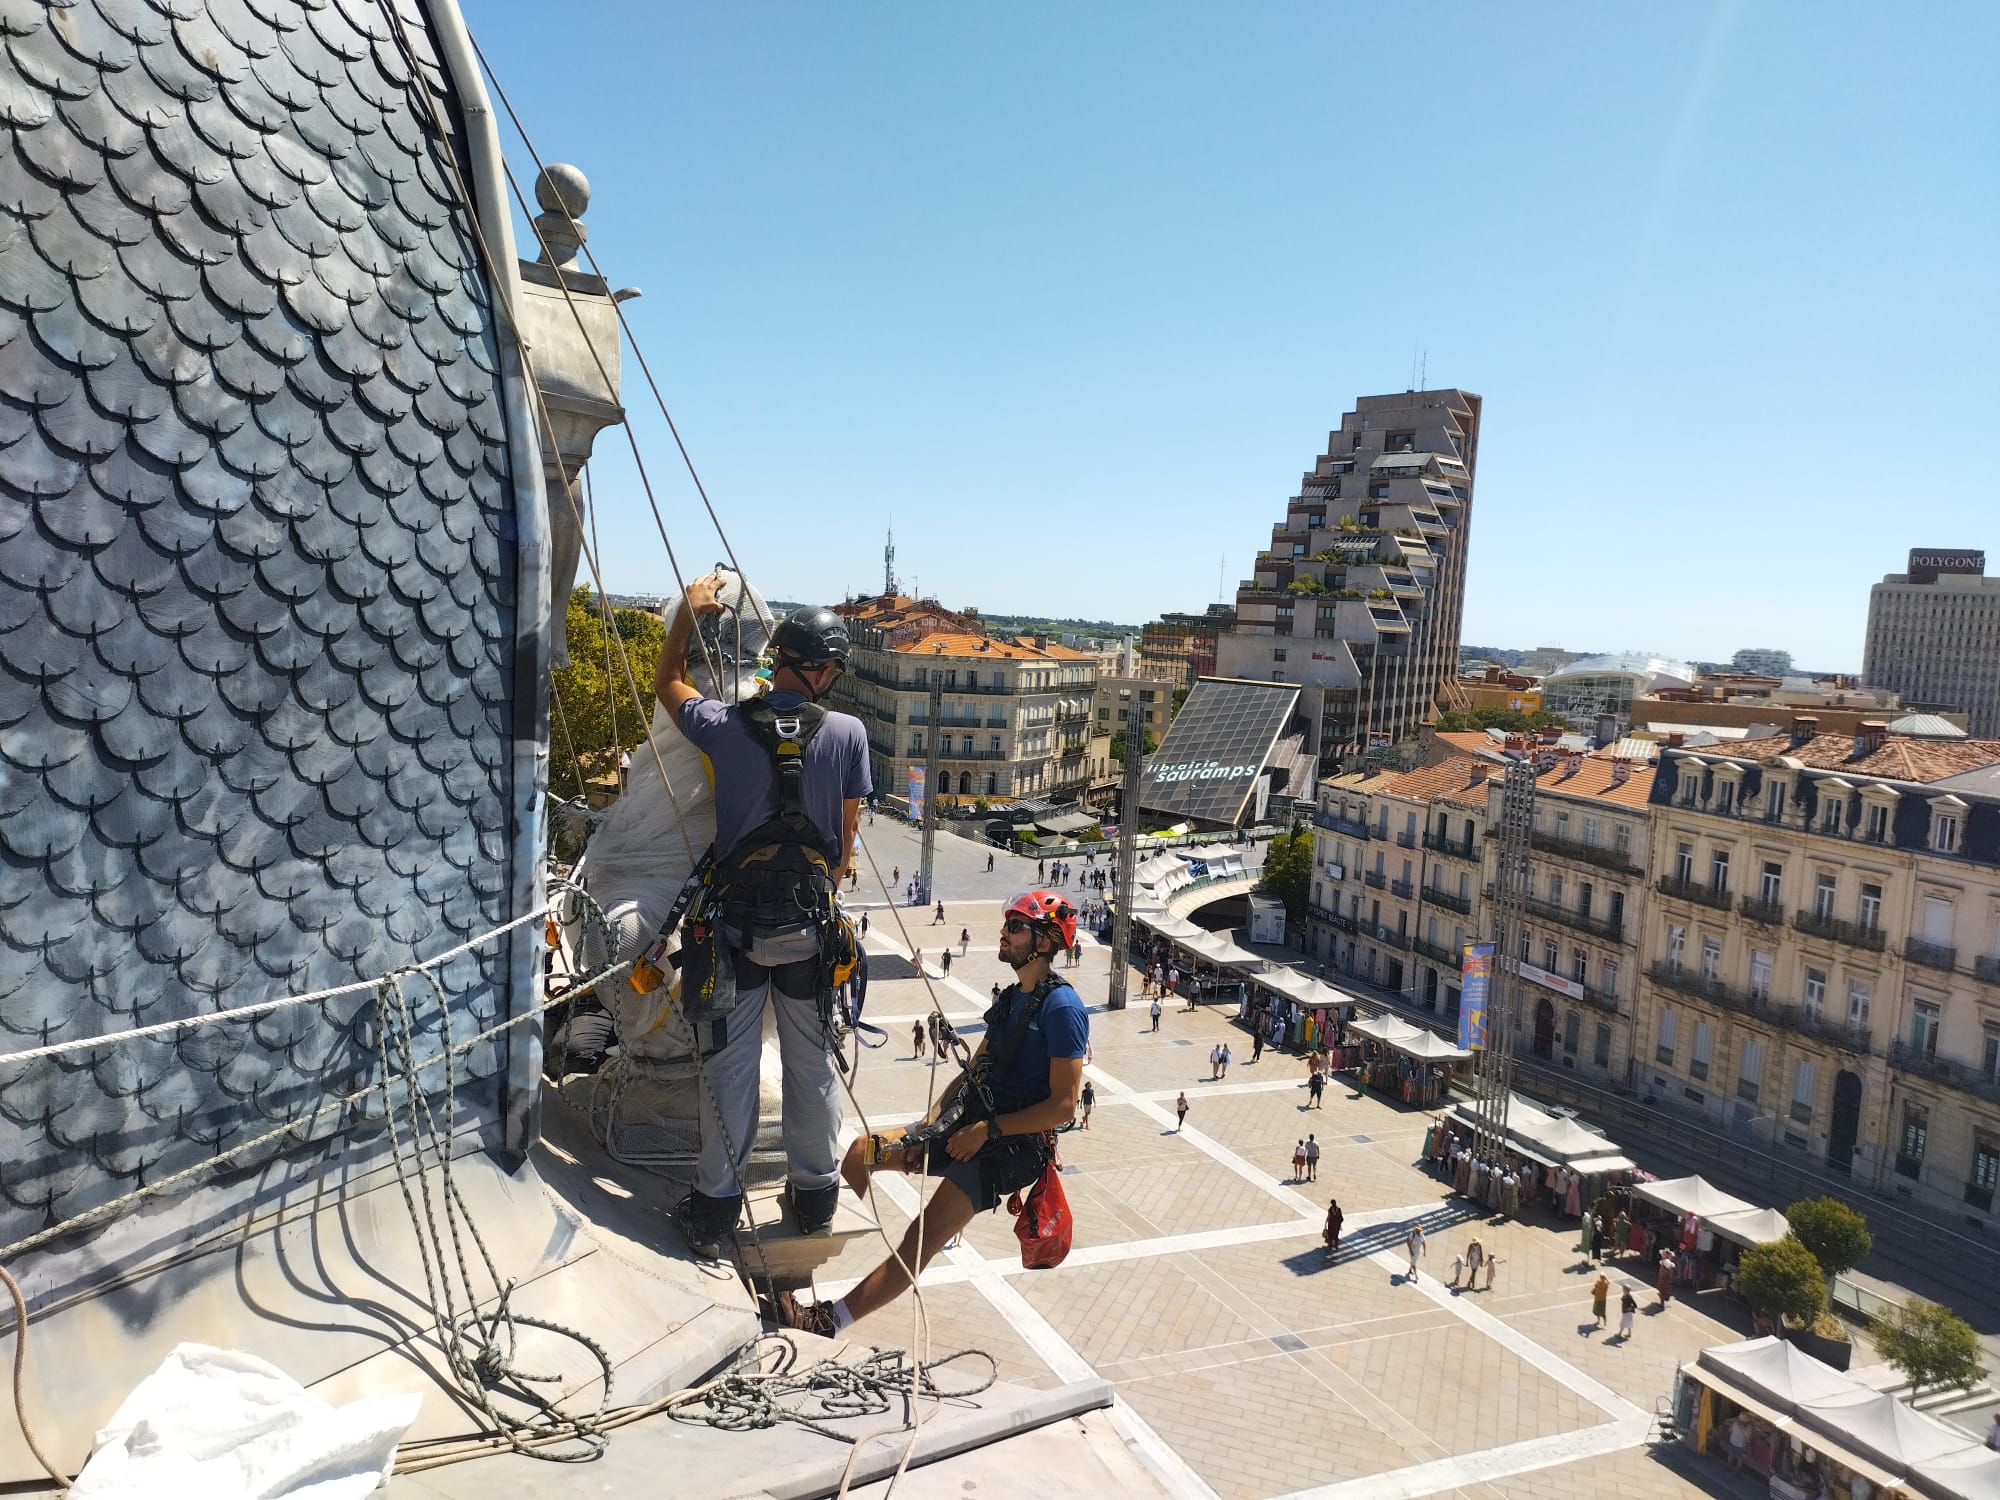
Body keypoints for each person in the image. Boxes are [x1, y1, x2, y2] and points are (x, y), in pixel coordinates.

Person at [654, 584, 868, 1258]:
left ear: (778, 660)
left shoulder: (722, 726)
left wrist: (689, 613)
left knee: (732, 1071)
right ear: (824, 670)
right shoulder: (847, 735)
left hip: (736, 933)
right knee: (812, 1070)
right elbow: (843, 845)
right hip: (808, 931)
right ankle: (814, 1199)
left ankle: (715, 1208)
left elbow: (668, 681)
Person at [776, 891, 1086, 1335]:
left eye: (1016, 926)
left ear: (1045, 940)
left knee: (922, 1234)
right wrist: (931, 1124)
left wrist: (985, 1131)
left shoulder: (1064, 1009)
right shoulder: (1015, 998)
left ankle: (830, 1319)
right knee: (864, 1151)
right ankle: (800, 1272)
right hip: (973, 1122)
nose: (1003, 931)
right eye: (1007, 924)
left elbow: (1063, 1105)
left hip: (1009, 1146)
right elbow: (974, 1072)